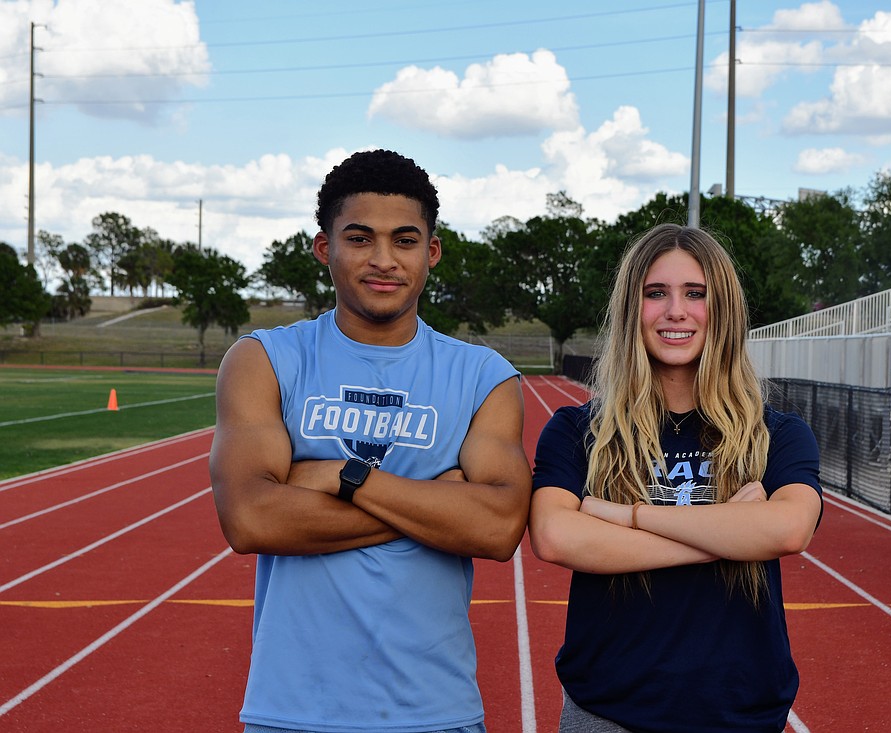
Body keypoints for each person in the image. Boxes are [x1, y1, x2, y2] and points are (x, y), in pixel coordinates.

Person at [209, 149, 531, 733]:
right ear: (323, 247)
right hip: (293, 713)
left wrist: (341, 477)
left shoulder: (484, 377)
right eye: (360, 239)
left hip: (436, 713)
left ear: (432, 252)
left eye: (405, 241)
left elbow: (498, 528)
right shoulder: (264, 360)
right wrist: (436, 504)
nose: (384, 260)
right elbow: (251, 520)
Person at [528, 223, 823, 733]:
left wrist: (626, 516)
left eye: (696, 294)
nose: (676, 311)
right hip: (609, 712)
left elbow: (788, 530)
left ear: (723, 309)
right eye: (655, 293)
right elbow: (556, 536)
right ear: (631, 308)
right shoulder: (578, 431)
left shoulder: (777, 434)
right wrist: (730, 535)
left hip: (740, 715)